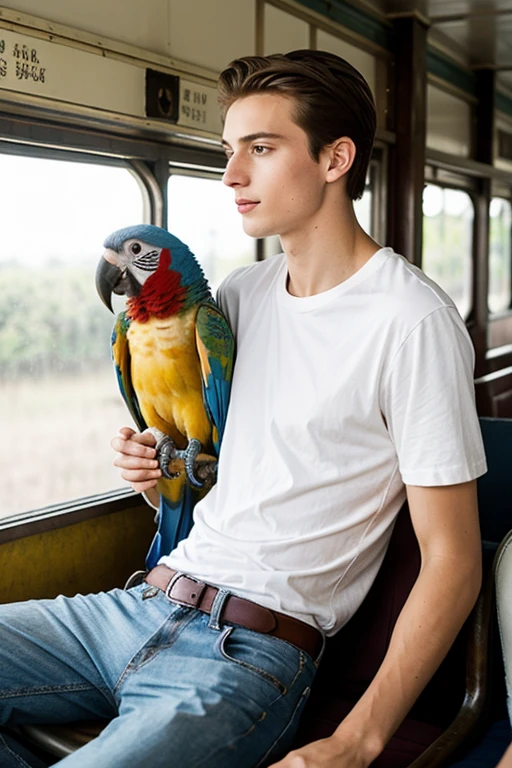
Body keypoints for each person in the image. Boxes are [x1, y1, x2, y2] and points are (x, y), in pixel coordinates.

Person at [0, 50, 486, 768]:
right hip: (135, 605)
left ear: (335, 159)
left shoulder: (411, 321)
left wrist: (357, 741)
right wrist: (154, 478)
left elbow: (453, 559)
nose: (231, 176)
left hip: (245, 651)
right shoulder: (236, 299)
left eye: (260, 149)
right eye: (229, 152)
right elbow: (231, 480)